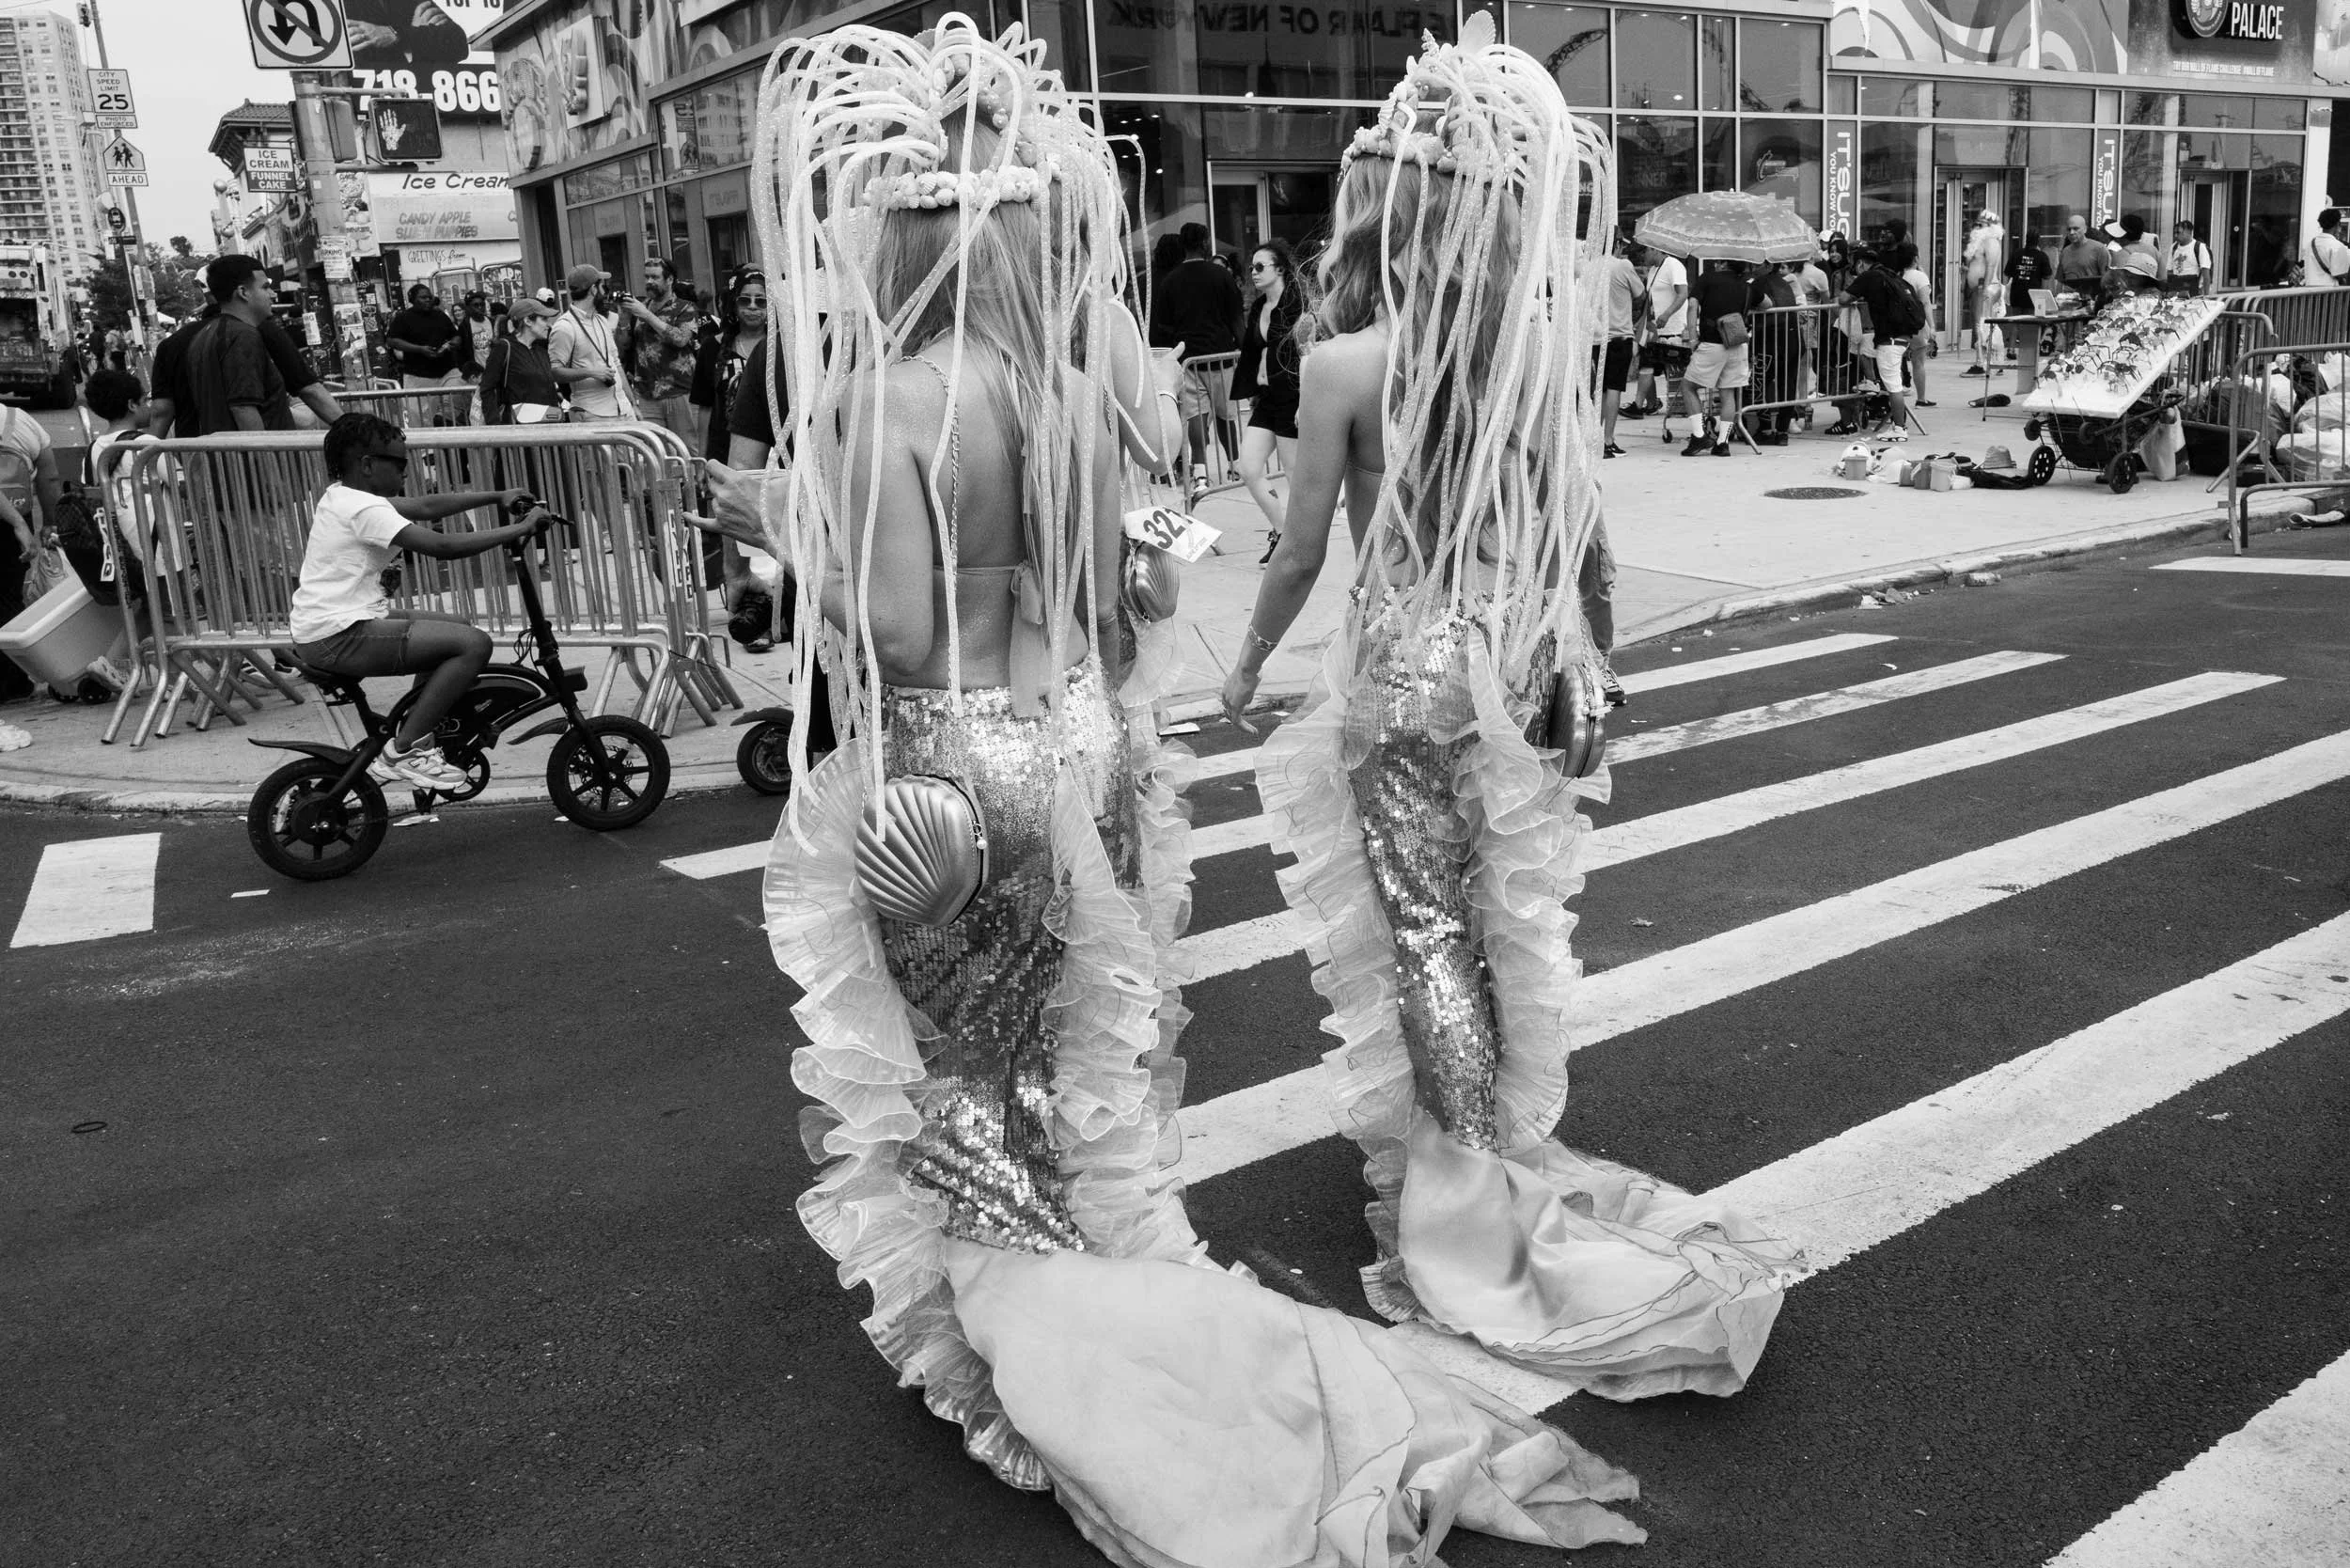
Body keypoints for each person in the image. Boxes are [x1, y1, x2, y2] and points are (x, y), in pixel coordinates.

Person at [708, 17, 1653, 1561]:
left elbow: (882, 628)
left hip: (958, 753)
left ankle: (1051, 1330)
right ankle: (1151, 1255)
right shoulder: (1086, 397)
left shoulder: (882, 405)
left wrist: (801, 545)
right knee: (1094, 1030)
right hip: (1080, 732)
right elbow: (1139, 588)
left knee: (974, 1058)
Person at [1227, 15, 1794, 1419]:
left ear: (1397, 212)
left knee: (1423, 934)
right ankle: (1475, 1145)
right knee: (1502, 924)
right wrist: (1596, 659)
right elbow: (1583, 535)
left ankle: (1465, 1193)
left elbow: (1302, 552)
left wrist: (1241, 667)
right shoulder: (1538, 352)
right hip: (1518, 664)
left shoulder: (1348, 360)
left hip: (1405, 662)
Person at [288, 413, 546, 791]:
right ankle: (405, 750)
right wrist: (522, 528)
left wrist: (496, 496)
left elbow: (426, 507)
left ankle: (421, 731)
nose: (408, 472)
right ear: (367, 465)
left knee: (456, 628)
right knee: (474, 645)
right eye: (401, 463)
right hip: (336, 635)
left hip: (338, 622)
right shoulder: (364, 508)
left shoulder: (346, 495)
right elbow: (441, 547)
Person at [1147, 220, 1244, 507]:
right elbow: (1236, 316)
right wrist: (1243, 347)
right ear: (1204, 243)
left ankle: (1200, 473)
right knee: (1227, 415)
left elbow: (1162, 325)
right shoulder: (1220, 276)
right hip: (1221, 356)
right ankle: (1235, 464)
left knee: (1195, 417)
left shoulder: (1171, 280)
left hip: (1188, 359)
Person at [1231, 240, 1304, 557]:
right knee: (1248, 467)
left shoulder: (1297, 306)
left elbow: (1310, 353)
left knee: (1294, 474)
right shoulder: (1259, 308)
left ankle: (1301, 541)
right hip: (1266, 399)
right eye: (1252, 268)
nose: (1254, 273)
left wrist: (1307, 400)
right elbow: (1253, 352)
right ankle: (1282, 531)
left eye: (1261, 267)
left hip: (1293, 397)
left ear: (1280, 269)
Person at [181, 255, 299, 434]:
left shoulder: (204, 335)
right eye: (265, 287)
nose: (273, 294)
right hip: (257, 458)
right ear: (243, 292)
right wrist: (264, 456)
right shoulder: (242, 335)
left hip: (224, 456)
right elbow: (243, 408)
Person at [0, 396, 64, 703]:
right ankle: (11, 680)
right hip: (14, 513)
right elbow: (49, 476)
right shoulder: (19, 420)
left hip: (13, 518)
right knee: (9, 596)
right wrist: (50, 523)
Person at [1832, 245, 1920, 436]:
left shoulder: (1869, 277)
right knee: (1892, 383)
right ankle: (1898, 426)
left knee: (1893, 386)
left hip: (1889, 339)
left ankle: (1899, 428)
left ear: (1861, 264)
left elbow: (1844, 298)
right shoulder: (1890, 275)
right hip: (1902, 336)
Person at [617, 254, 701, 447]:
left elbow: (680, 339)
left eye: (655, 277)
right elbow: (622, 347)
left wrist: (646, 316)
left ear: (670, 279)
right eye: (647, 277)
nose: (649, 282)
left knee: (687, 448)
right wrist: (623, 320)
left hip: (678, 391)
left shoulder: (685, 308)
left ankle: (694, 478)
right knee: (655, 450)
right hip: (646, 393)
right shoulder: (639, 307)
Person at [1682, 257, 1752, 456]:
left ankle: (1699, 436)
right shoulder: (1745, 286)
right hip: (1737, 343)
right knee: (1728, 393)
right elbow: (1767, 303)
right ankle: (1723, 443)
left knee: (1688, 386)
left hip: (1712, 343)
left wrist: (1692, 338)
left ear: (1723, 263)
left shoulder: (1708, 279)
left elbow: (1693, 305)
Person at [545, 264, 633, 419]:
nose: (604, 292)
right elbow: (556, 372)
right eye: (602, 287)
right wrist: (591, 372)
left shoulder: (601, 320)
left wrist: (632, 403)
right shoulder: (565, 326)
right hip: (591, 412)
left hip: (622, 408)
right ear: (593, 289)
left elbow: (616, 363)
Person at [475, 298, 564, 425]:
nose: (549, 325)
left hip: (548, 429)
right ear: (527, 321)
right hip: (518, 432)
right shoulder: (504, 347)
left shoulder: (541, 350)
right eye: (543, 319)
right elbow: (487, 389)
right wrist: (495, 428)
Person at [1598, 232, 1644, 455]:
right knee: (1614, 388)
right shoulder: (1622, 266)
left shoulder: (1587, 266)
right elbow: (1640, 293)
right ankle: (1608, 439)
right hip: (1619, 335)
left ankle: (1592, 437)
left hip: (1595, 337)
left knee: (1598, 390)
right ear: (1615, 244)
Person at [1637, 239, 1690, 423]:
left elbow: (1683, 293)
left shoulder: (1673, 265)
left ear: (1655, 249)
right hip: (1655, 328)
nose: (1643, 255)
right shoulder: (1653, 270)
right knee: (1646, 364)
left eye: (1646, 251)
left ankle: (1681, 404)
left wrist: (1667, 314)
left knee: (1672, 370)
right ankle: (1645, 403)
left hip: (1672, 327)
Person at [385, 283, 463, 389]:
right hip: (418, 376)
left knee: (456, 402)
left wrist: (454, 342)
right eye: (423, 297)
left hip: (448, 372)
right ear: (413, 299)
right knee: (419, 406)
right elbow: (392, 340)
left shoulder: (440, 315)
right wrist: (419, 349)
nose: (427, 300)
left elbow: (455, 335)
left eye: (429, 297)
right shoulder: (403, 318)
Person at [1963, 209, 2007, 374]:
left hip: (1986, 288)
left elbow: (1990, 266)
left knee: (1983, 325)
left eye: (1982, 225)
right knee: (1982, 325)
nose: (1977, 227)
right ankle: (1990, 362)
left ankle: (1983, 363)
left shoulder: (1991, 242)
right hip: (1979, 288)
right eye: (1977, 224)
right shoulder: (1982, 242)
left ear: (1991, 227)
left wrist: (1986, 287)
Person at [1895, 242, 1937, 407]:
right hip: (1917, 323)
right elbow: (1926, 303)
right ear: (1915, 258)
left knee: (1897, 361)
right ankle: (1921, 398)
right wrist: (1932, 326)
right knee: (1918, 362)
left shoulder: (1898, 276)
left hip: (1900, 323)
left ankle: (1896, 396)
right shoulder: (1920, 277)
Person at [2055, 212, 2110, 299]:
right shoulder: (2065, 252)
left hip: (2091, 302)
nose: (2072, 232)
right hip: (2068, 303)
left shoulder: (2099, 249)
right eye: (2069, 229)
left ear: (2085, 229)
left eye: (2076, 229)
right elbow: (2060, 281)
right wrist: (2057, 299)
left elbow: (2106, 281)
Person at [2169, 220, 2213, 295]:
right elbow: (2169, 271)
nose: (2175, 236)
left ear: (2188, 232)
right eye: (2174, 233)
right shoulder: (2174, 247)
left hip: (2193, 291)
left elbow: (2206, 275)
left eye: (2178, 233)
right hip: (2176, 292)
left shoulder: (2199, 247)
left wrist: (2206, 296)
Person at [2309, 209, 2350, 287]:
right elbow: (2341, 273)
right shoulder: (2337, 246)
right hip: (2327, 294)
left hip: (2309, 292)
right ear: (2337, 224)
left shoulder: (2310, 244)